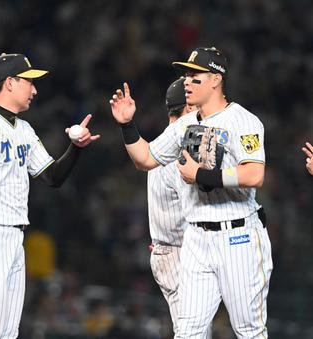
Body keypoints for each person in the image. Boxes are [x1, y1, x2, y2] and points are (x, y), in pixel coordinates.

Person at [110, 47, 272, 338]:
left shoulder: (243, 120)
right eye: (186, 75)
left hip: (238, 236)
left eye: (195, 76)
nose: (186, 81)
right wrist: (126, 125)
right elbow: (145, 159)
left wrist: (201, 174)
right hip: (196, 239)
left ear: (215, 79)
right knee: (187, 332)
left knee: (249, 330)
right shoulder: (184, 124)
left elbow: (254, 174)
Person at [0, 53, 100, 339]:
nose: (34, 89)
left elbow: (52, 177)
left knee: (8, 332)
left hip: (15, 235)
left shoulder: (25, 129)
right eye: (28, 82)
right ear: (9, 83)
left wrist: (76, 147)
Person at [148, 77, 206, 337]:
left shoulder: (161, 144)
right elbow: (198, 206)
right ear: (190, 109)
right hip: (177, 253)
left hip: (171, 249)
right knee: (189, 331)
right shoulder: (177, 151)